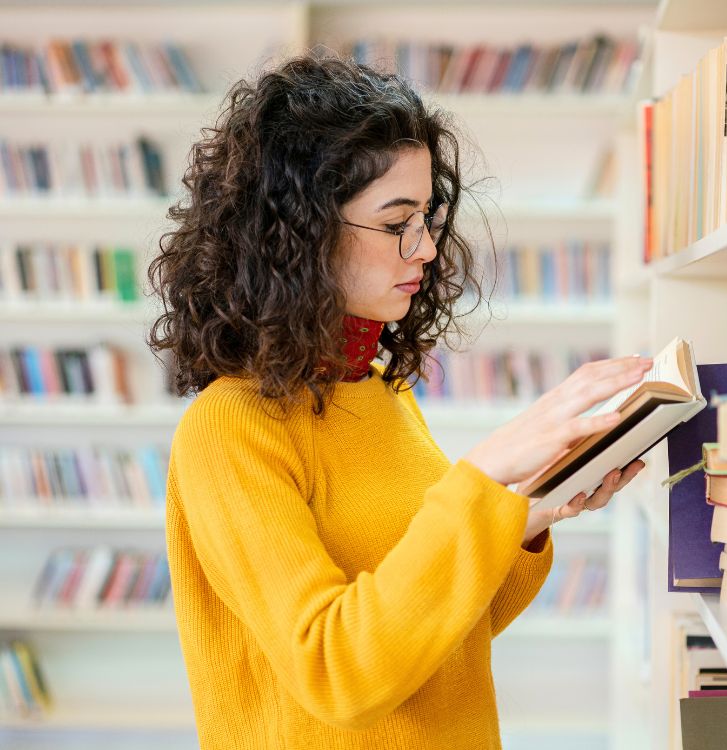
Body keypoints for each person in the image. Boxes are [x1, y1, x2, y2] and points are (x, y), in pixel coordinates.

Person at [148, 53, 650, 750]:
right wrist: (483, 478)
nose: (425, 251)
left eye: (428, 218)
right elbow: (339, 674)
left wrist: (528, 514)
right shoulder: (228, 430)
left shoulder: (379, 391)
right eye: (395, 223)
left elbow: (438, 636)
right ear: (298, 231)